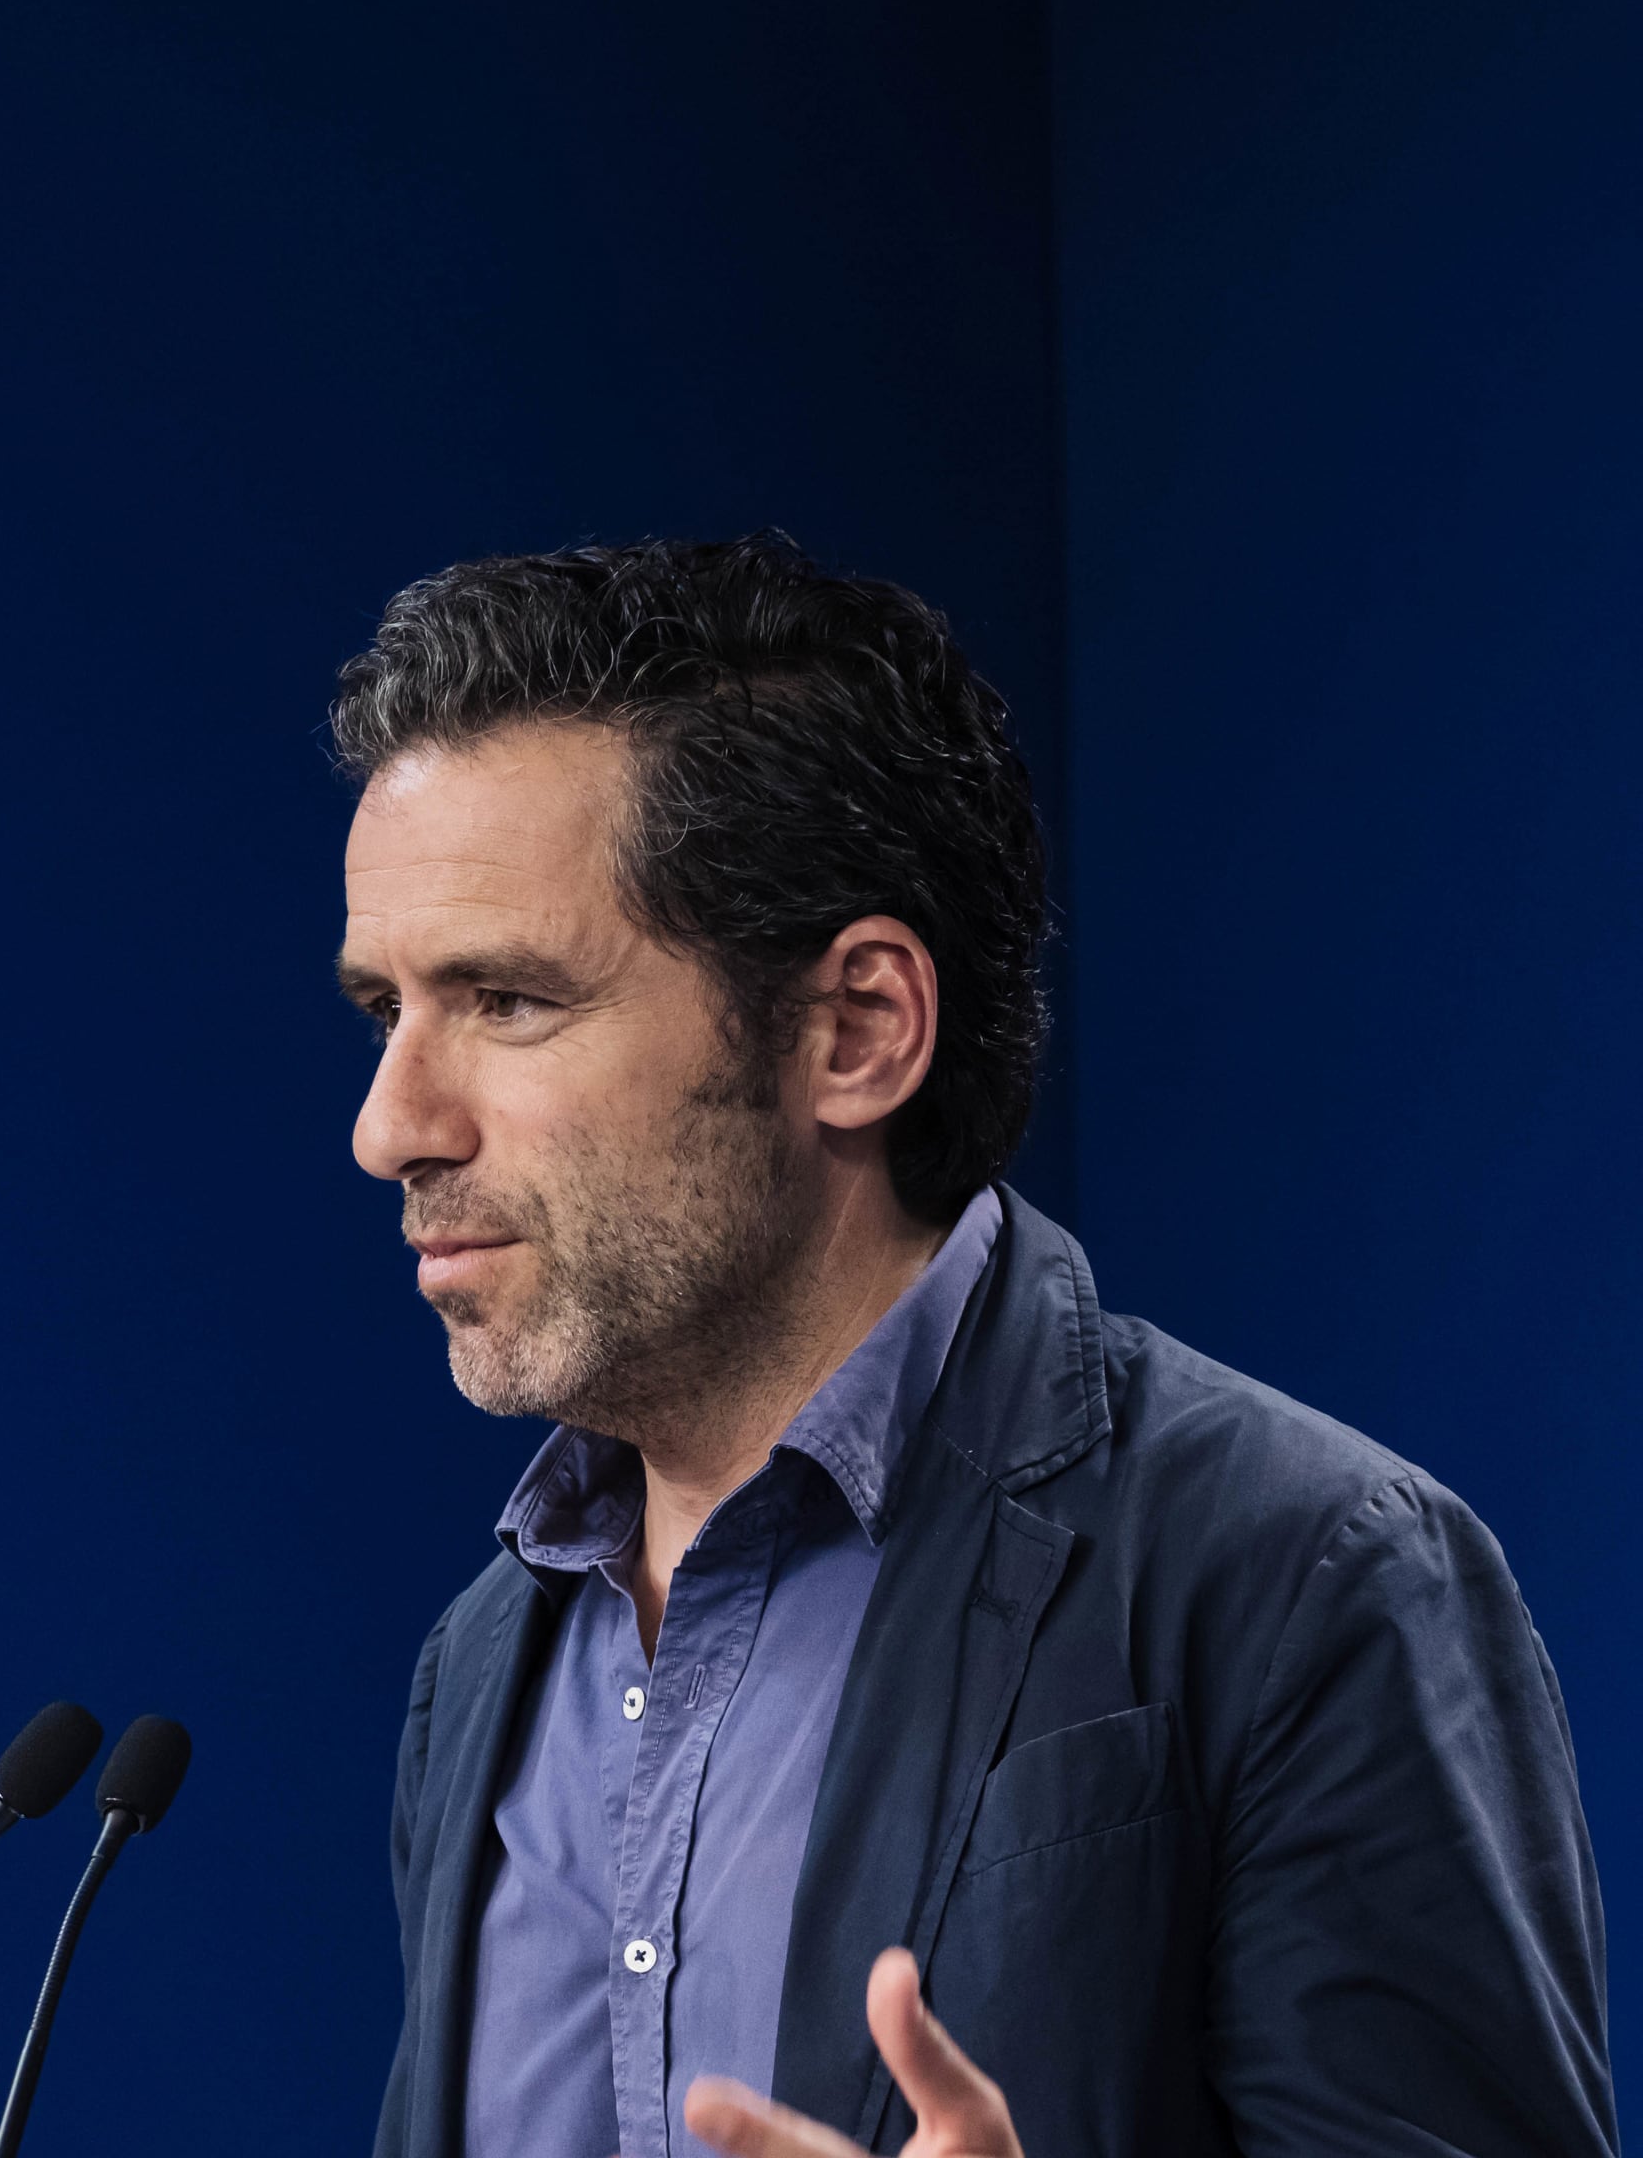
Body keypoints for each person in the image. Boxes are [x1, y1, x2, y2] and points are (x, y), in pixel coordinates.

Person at [334, 536, 1613, 2158]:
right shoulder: (480, 1667)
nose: (391, 1127)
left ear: (858, 1031)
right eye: (384, 1012)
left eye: (509, 1000)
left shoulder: (1304, 1577)